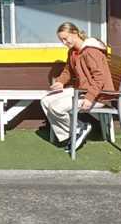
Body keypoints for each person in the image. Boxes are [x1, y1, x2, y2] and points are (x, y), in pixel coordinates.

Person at [41, 21, 114, 151]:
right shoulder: (73, 52)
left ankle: (78, 130)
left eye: (65, 38)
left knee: (57, 107)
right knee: (45, 101)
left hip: (99, 95)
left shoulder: (91, 52)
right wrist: (60, 82)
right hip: (81, 89)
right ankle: (76, 130)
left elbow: (100, 78)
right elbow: (68, 70)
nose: (64, 42)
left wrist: (90, 97)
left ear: (75, 33)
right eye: (61, 40)